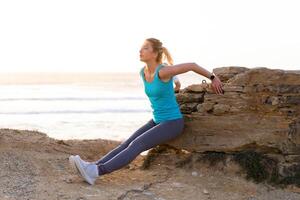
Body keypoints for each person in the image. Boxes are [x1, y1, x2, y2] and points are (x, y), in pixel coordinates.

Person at [69, 38, 224, 185]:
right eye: (141, 47)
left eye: (145, 48)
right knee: (127, 144)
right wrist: (176, 83)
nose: (140, 50)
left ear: (155, 53)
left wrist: (213, 77)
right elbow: (171, 80)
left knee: (137, 144)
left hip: (172, 123)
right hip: (157, 120)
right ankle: (92, 166)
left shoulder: (163, 72)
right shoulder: (143, 72)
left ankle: (96, 171)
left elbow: (192, 65)